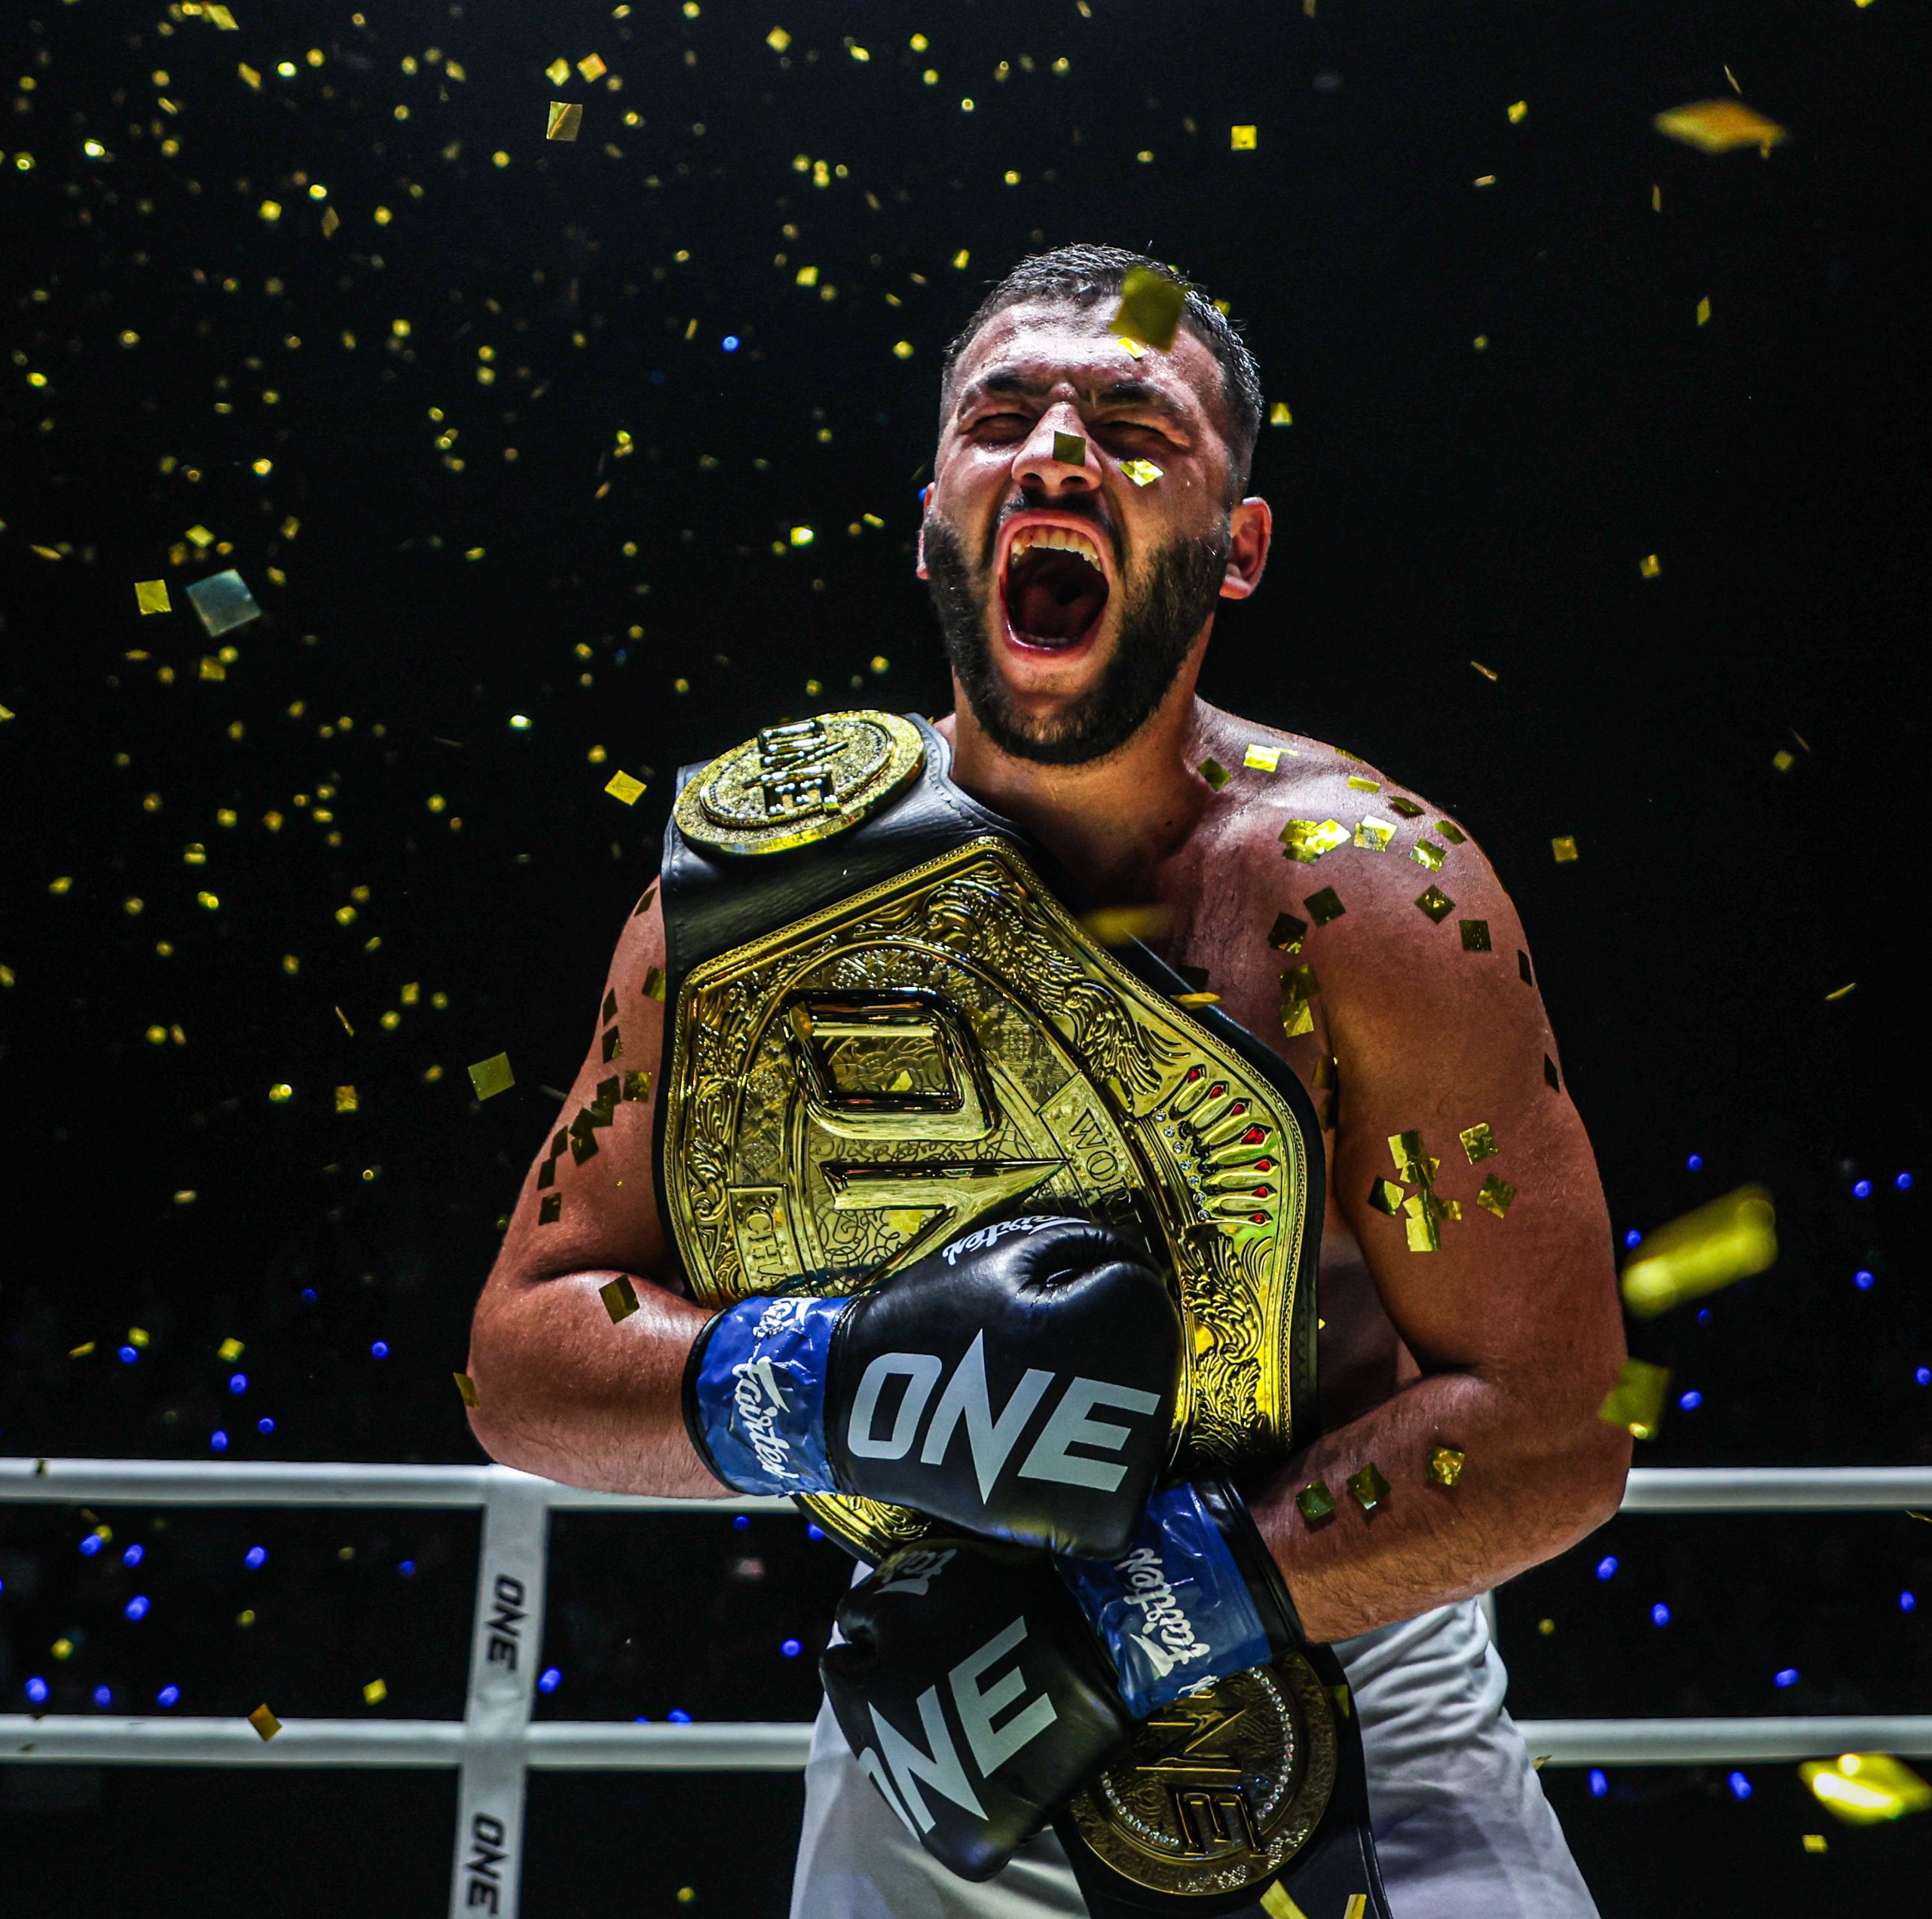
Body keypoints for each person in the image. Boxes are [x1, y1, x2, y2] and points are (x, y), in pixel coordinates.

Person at [467, 244, 1629, 1918]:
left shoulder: (1367, 895)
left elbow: (1561, 1421)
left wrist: (1141, 1610)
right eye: (1001, 413)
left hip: (1348, 1704)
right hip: (929, 1744)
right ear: (933, 514)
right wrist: (831, 1380)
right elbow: (520, 1357)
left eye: (1133, 423)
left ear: (1238, 548)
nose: (1059, 451)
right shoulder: (742, 908)